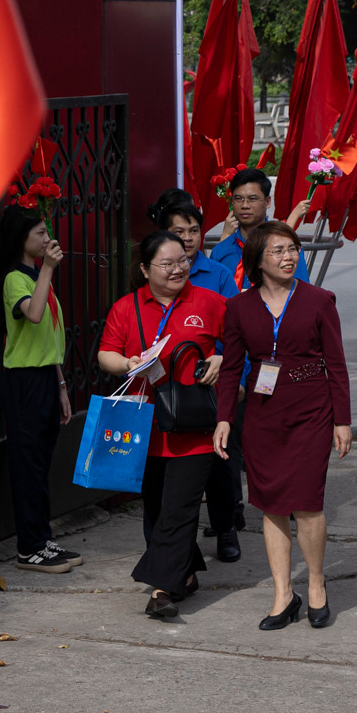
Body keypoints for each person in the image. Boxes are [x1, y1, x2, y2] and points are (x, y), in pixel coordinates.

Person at [215, 220, 351, 630]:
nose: (289, 256)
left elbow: (338, 365)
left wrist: (342, 420)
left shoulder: (319, 300)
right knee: (270, 503)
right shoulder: (238, 308)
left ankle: (315, 584)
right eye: (278, 250)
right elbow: (230, 369)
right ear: (257, 259)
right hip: (262, 413)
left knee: (308, 501)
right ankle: (282, 594)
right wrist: (223, 417)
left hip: (311, 408)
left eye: (293, 248)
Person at [99, 231, 226, 619]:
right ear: (144, 269)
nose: (178, 269)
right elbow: (106, 354)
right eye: (166, 264)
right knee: (155, 509)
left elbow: (240, 345)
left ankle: (161, 589)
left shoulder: (211, 302)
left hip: (195, 427)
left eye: (183, 261)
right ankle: (185, 574)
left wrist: (222, 359)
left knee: (179, 507)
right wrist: (126, 364)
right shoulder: (126, 308)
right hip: (144, 427)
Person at [153, 189, 241, 561]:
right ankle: (178, 543)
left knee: (222, 463)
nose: (188, 238)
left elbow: (237, 332)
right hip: (169, 389)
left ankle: (225, 529)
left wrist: (223, 363)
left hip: (211, 389)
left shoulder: (218, 275)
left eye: (193, 230)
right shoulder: (157, 276)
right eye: (179, 231)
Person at [0, 206, 82, 573]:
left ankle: (41, 539)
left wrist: (60, 384)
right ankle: (28, 548)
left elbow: (47, 336)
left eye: (47, 233)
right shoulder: (16, 278)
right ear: (21, 239)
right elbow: (32, 315)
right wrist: (47, 267)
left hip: (45, 376)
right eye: (40, 234)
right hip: (24, 381)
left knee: (41, 464)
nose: (47, 240)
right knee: (28, 466)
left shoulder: (34, 274)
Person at [211, 168, 309, 287]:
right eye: (238, 199)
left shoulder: (287, 250)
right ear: (232, 202)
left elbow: (301, 292)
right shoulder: (220, 251)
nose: (245, 205)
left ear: (268, 202)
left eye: (252, 199)